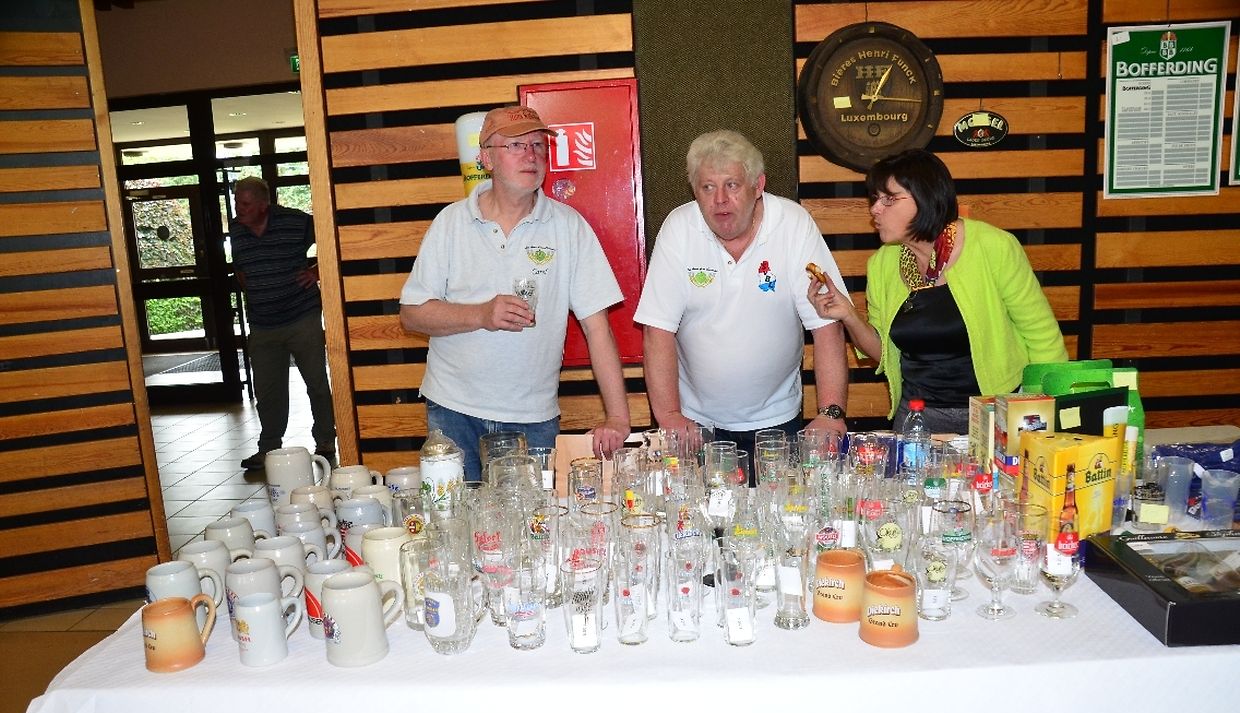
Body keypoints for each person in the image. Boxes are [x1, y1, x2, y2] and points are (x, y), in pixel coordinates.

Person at [399, 105, 630, 481]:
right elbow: (411, 314)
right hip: (453, 411)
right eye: (517, 146)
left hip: (533, 419)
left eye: (538, 146)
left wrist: (618, 417)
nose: (531, 155)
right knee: (454, 515)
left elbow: (598, 328)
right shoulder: (450, 223)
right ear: (486, 158)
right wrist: (481, 314)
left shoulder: (569, 227)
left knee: (532, 519)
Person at [808, 148, 1068, 434]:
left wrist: (1043, 421)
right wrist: (849, 315)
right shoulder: (882, 264)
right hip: (917, 417)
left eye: (889, 199)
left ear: (926, 197)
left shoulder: (993, 247)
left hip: (995, 415)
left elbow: (1043, 339)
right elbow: (884, 354)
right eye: (875, 199)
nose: (875, 209)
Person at [633, 129, 850, 458]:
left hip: (778, 420)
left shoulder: (793, 224)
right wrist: (669, 416)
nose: (719, 199)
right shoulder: (678, 228)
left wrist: (831, 413)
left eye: (732, 185)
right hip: (696, 424)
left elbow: (827, 323)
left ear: (758, 185)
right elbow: (657, 330)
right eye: (707, 187)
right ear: (694, 190)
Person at [229, 176, 337, 470]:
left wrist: (316, 271)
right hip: (262, 324)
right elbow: (241, 268)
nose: (239, 209)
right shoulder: (236, 229)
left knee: (316, 383)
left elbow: (332, 237)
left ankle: (326, 441)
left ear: (264, 205)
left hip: (302, 317)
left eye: (245, 203)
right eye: (237, 202)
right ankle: (268, 449)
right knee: (267, 392)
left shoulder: (296, 222)